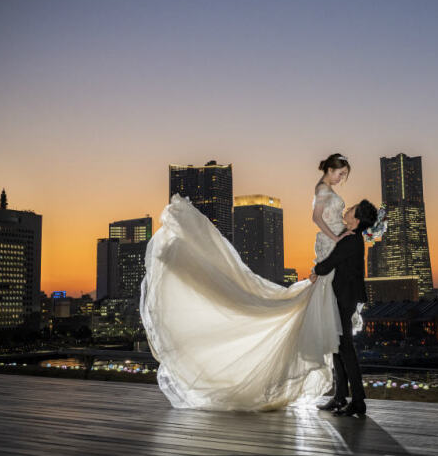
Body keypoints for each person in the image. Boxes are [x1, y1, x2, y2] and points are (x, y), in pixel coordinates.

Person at [138, 153, 360, 411]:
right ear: (330, 169)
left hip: (331, 248)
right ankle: (342, 396)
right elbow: (316, 218)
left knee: (329, 325)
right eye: (340, 173)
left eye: (344, 175)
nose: (341, 178)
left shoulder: (327, 190)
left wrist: (343, 236)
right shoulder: (322, 189)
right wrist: (337, 237)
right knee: (329, 325)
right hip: (329, 246)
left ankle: (341, 395)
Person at [310, 199, 378, 417]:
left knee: (345, 347)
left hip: (344, 298)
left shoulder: (351, 241)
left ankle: (357, 400)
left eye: (351, 209)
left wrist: (315, 271)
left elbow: (331, 261)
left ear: (356, 220)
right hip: (343, 296)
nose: (346, 210)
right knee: (338, 346)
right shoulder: (351, 238)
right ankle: (340, 397)